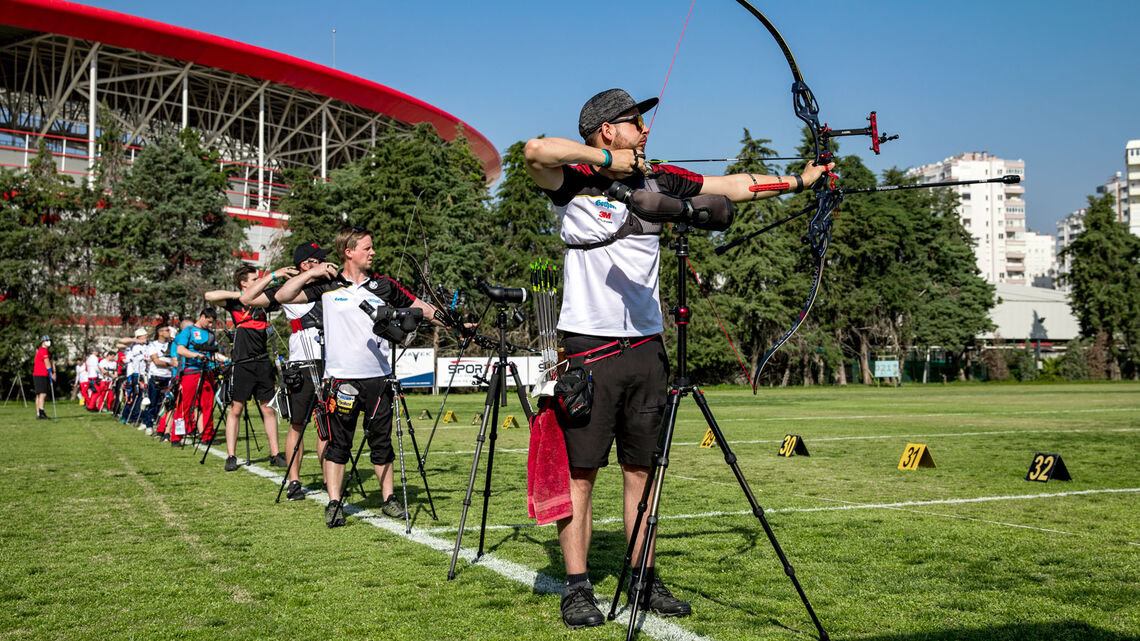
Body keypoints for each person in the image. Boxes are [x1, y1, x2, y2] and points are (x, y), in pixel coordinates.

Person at [523, 87, 834, 628]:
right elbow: (533, 151)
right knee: (581, 474)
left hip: (647, 348)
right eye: (633, 123)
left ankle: (643, 577)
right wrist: (604, 161)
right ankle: (577, 588)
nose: (644, 130)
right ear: (604, 130)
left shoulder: (660, 178)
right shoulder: (574, 180)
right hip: (588, 348)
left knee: (642, 471)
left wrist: (799, 181)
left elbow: (734, 187)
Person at [271, 227, 451, 527]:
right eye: (367, 248)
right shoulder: (327, 286)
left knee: (382, 442)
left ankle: (389, 499)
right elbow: (282, 294)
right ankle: (333, 502)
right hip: (340, 380)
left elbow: (420, 307)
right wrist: (312, 273)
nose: (373, 252)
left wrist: (451, 321)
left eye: (372, 247)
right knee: (338, 444)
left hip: (378, 378)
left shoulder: (383, 285)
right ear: (348, 252)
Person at [240, 241, 333, 501]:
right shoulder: (287, 289)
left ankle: (329, 479)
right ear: (306, 264)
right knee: (297, 424)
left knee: (327, 423)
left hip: (330, 363)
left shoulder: (329, 285)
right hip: (302, 364)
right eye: (319, 260)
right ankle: (294, 480)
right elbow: (247, 299)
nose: (325, 263)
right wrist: (273, 275)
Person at [206, 266, 285, 472]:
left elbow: (285, 293)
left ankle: (275, 454)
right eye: (254, 279)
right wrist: (241, 295)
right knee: (237, 409)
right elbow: (210, 295)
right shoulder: (235, 302)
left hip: (262, 361)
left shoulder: (263, 300)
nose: (258, 281)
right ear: (243, 283)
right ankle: (231, 455)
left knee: (268, 408)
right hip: (242, 363)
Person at [172, 309, 227, 446]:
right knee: (184, 405)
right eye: (208, 322)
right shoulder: (188, 331)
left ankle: (207, 435)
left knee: (207, 405)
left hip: (207, 372)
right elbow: (180, 350)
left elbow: (213, 353)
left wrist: (220, 360)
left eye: (212, 323)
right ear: (202, 317)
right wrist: (196, 355)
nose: (210, 325)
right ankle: (176, 436)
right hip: (191, 372)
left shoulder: (211, 334)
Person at [140, 325, 177, 436]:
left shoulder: (172, 344)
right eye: (166, 330)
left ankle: (164, 427)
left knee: (168, 403)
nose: (169, 332)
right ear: (160, 332)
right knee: (153, 402)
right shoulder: (153, 345)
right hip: (157, 376)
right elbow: (156, 361)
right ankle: (149, 425)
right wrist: (172, 363)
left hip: (169, 377)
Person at [116, 328, 150, 425]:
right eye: (144, 335)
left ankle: (135, 416)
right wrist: (136, 340)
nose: (146, 337)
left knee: (140, 396)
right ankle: (126, 416)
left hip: (143, 373)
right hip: (134, 374)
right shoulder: (133, 345)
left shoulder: (147, 346)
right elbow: (120, 343)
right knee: (132, 395)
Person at [32, 336, 54, 420]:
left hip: (37, 374)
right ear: (43, 342)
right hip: (41, 374)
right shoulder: (43, 350)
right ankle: (41, 412)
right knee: (43, 393)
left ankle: (38, 413)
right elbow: (47, 362)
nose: (48, 342)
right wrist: (51, 373)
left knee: (38, 394)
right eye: (47, 340)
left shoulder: (41, 350)